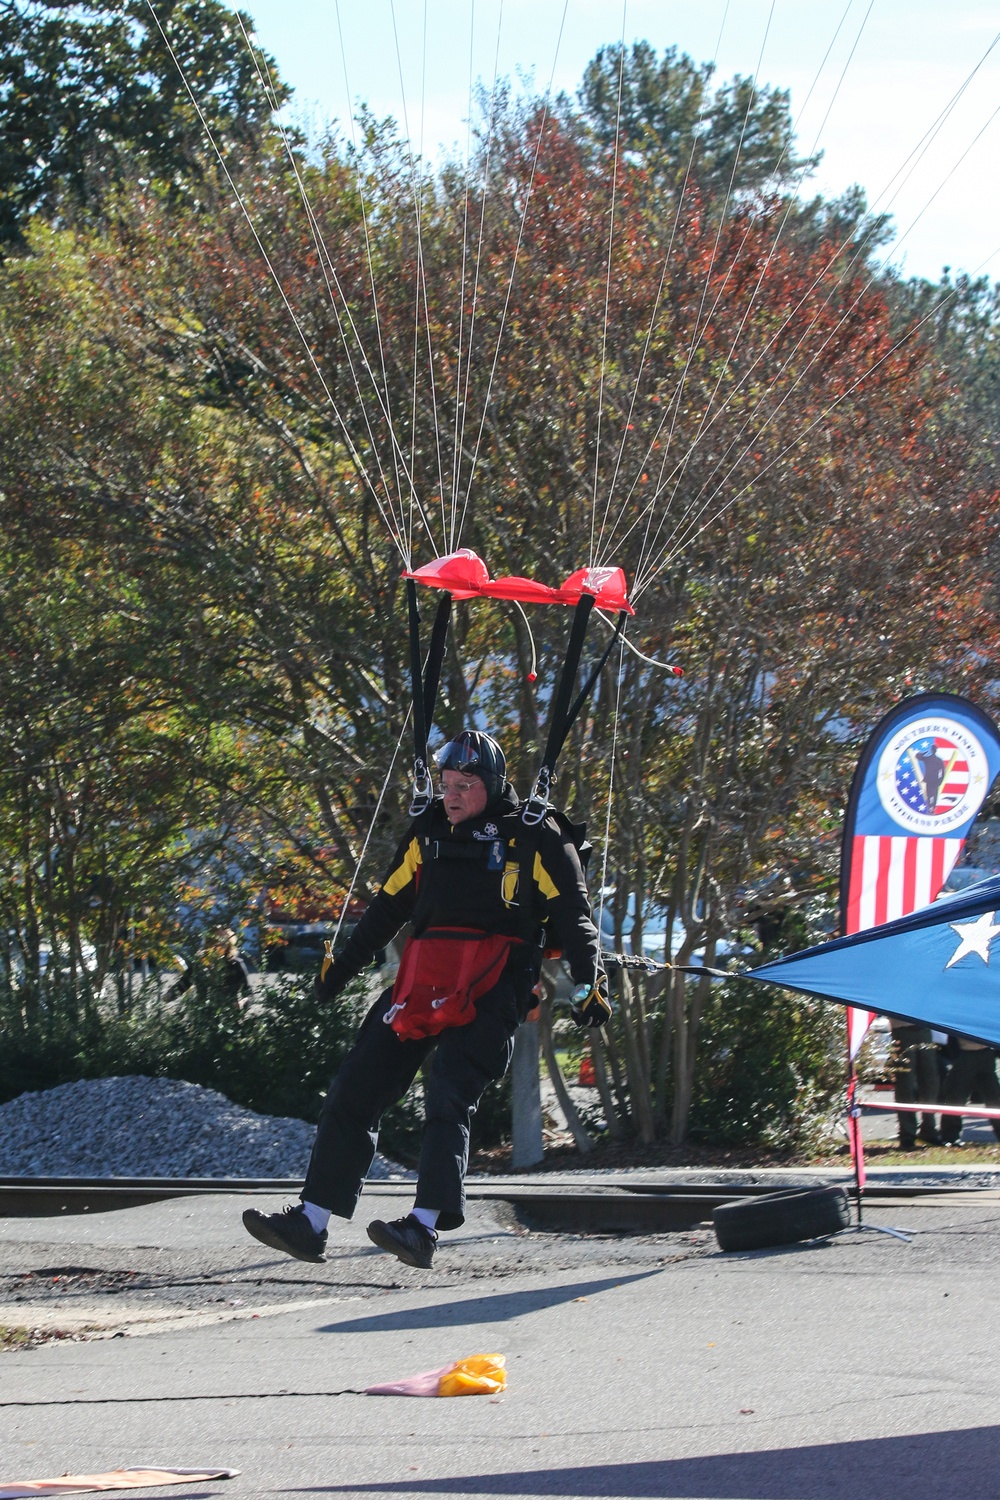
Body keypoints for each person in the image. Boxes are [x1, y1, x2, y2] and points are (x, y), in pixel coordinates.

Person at [242, 729, 610, 1270]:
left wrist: (589, 982)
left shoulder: (535, 836)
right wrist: (340, 969)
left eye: (465, 784)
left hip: (493, 986)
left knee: (447, 1096)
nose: (452, 795)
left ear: (491, 784)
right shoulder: (430, 832)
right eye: (446, 784)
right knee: (355, 1084)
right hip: (424, 981)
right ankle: (311, 1222)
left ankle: (423, 1227)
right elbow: (387, 907)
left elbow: (576, 917)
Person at [939, 1034, 1000, 1146]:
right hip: (964, 1052)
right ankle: (950, 1138)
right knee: (955, 1096)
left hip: (986, 1052)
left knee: (994, 1097)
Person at [890, 1019, 941, 1148]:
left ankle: (929, 1131)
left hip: (925, 1028)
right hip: (902, 1030)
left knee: (930, 1082)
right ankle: (907, 1134)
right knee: (905, 1083)